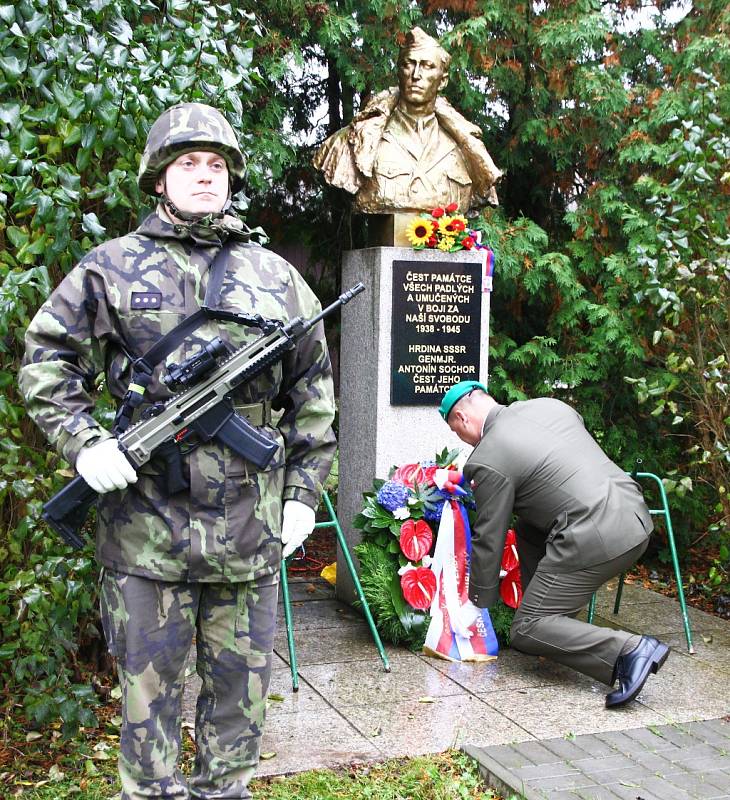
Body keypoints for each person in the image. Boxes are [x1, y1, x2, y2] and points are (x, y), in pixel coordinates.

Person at [19, 102, 336, 799]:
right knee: (148, 714)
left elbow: (313, 392)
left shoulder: (276, 277)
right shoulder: (109, 269)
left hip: (248, 538)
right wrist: (84, 442)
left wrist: (304, 497)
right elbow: (44, 361)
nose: (203, 176)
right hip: (144, 538)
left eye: (215, 165)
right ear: (158, 178)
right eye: (187, 163)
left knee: (238, 713)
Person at [439, 380, 670, 708]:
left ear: (462, 418)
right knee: (529, 527)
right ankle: (553, 625)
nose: (460, 438)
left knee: (526, 629)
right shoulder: (550, 406)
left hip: (595, 536)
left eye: (455, 431)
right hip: (636, 518)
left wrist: (475, 606)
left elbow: (488, 537)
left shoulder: (488, 457)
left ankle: (629, 650)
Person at [313, 27, 502, 215]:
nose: (416, 75)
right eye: (408, 64)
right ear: (399, 72)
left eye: (428, 66)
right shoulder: (353, 141)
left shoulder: (468, 151)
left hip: (442, 237)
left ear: (443, 80)